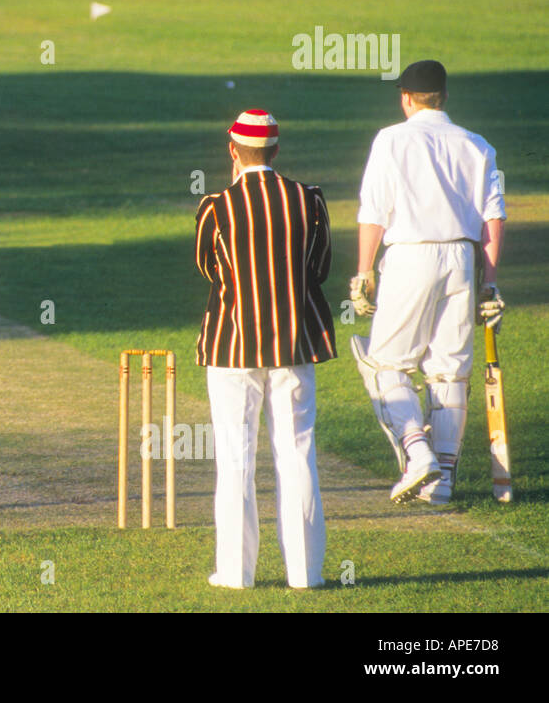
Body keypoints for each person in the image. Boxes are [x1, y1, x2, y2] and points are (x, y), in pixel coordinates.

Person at [348, 60, 505, 505]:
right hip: (461, 258)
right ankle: (442, 482)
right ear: (445, 97)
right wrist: (489, 283)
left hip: (410, 255)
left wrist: (363, 273)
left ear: (406, 98)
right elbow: (493, 218)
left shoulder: (391, 140)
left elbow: (374, 213)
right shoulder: (477, 145)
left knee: (385, 365)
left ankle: (418, 455)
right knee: (450, 369)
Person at [194, 110, 336, 590]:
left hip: (231, 342)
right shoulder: (308, 199)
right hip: (295, 340)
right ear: (276, 152)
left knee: (235, 457)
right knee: (297, 453)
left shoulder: (217, 205)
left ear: (232, 150)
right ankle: (305, 574)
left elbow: (209, 269)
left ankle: (236, 574)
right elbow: (319, 267)